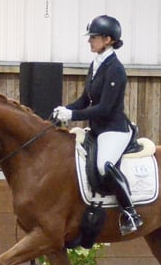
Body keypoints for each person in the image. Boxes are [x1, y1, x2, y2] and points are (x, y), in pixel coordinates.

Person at [52, 14, 144, 236]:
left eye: (93, 37)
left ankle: (130, 212)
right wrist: (63, 110)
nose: (89, 41)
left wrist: (73, 114)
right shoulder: (96, 64)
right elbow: (85, 99)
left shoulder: (115, 69)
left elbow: (104, 108)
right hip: (97, 129)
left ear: (108, 39)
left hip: (113, 129)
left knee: (104, 164)